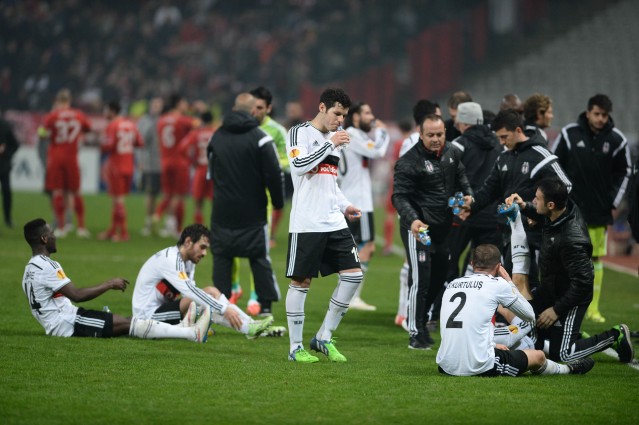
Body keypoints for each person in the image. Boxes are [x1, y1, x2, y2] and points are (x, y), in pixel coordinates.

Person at [507, 178, 634, 364]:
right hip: (552, 288)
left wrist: (556, 310)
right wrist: (524, 206)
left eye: (537, 198)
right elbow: (543, 214)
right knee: (527, 322)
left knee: (563, 354)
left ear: (551, 204)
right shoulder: (560, 211)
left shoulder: (572, 240)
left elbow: (583, 283)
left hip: (572, 296)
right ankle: (567, 333)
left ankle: (615, 336)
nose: (533, 201)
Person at [22, 218, 211, 342]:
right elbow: (77, 295)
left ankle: (182, 328)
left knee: (125, 323)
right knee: (131, 324)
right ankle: (191, 333)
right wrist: (109, 284)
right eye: (51, 233)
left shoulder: (29, 269)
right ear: (44, 239)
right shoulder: (48, 266)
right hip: (69, 324)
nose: (55, 236)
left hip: (66, 319)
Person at [285, 87, 362, 363]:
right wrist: (330, 144)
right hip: (307, 221)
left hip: (334, 220)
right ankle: (295, 348)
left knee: (354, 275)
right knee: (301, 281)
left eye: (344, 116)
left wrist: (345, 205)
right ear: (321, 108)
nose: (340, 120)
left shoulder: (335, 138)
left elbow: (330, 180)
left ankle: (324, 336)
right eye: (336, 113)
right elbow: (299, 165)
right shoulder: (299, 133)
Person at [436, 244, 596, 376]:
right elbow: (529, 315)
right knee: (538, 356)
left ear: (472, 264)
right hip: (478, 365)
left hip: (446, 364)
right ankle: (568, 369)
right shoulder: (498, 284)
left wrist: (491, 344)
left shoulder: (453, 284)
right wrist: (509, 282)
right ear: (498, 267)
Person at [462, 109, 572, 294]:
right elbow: (489, 190)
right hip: (510, 232)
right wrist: (471, 204)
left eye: (504, 136)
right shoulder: (504, 157)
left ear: (518, 130)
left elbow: (566, 187)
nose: (502, 142)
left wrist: (538, 211)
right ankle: (532, 311)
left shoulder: (540, 155)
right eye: (499, 138)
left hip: (535, 234)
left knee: (523, 283)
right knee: (520, 284)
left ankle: (540, 310)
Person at [392, 113, 472, 350]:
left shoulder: (452, 152)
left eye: (439, 134)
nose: (436, 139)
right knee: (421, 278)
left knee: (440, 276)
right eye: (430, 135)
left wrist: (467, 197)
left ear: (445, 133)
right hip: (419, 229)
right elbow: (399, 196)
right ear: (421, 135)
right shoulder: (409, 161)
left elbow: (461, 177)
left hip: (442, 228)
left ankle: (421, 320)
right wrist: (413, 220)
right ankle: (416, 332)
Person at [552, 94, 632, 323]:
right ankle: (563, 305)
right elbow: (554, 164)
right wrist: (560, 199)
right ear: (588, 113)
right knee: (565, 257)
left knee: (594, 259)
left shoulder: (616, 140)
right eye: (596, 114)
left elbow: (625, 171)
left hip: (598, 212)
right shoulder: (569, 134)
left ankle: (593, 309)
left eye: (604, 115)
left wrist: (613, 201)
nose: (600, 119)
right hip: (569, 211)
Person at [132, 223, 284, 338]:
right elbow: (190, 292)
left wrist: (213, 309)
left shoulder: (188, 261)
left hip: (165, 310)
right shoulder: (171, 260)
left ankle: (252, 326)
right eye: (202, 247)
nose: (205, 253)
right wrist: (223, 309)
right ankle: (249, 327)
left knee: (209, 296)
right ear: (188, 242)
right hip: (147, 317)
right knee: (209, 296)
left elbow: (192, 293)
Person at [207, 93, 284, 318]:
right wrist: (278, 202)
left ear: (234, 109)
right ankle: (265, 306)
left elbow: (211, 174)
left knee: (222, 257)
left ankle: (221, 308)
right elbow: (274, 175)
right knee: (258, 257)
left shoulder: (217, 137)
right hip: (253, 211)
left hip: (222, 210)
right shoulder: (261, 138)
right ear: (252, 111)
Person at [338, 101, 390, 311]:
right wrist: (382, 132)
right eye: (367, 113)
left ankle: (346, 295)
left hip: (351, 197)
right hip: (358, 201)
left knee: (356, 248)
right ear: (356, 117)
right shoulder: (353, 134)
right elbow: (378, 151)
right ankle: (351, 296)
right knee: (365, 247)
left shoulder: (350, 134)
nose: (372, 117)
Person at [448, 102, 502, 282]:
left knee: (448, 262)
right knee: (485, 268)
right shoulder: (498, 144)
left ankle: (447, 297)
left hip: (462, 213)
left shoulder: (459, 144)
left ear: (462, 121)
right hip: (490, 215)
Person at [41, 89, 91, 238]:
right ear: (69, 101)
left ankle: (61, 227)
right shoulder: (78, 115)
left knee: (57, 192)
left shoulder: (53, 115)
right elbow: (88, 128)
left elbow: (42, 132)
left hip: (56, 157)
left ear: (58, 101)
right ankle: (81, 227)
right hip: (71, 157)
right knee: (75, 192)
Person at [98, 101, 144, 242]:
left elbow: (108, 145)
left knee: (118, 200)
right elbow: (140, 143)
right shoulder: (130, 124)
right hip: (129, 165)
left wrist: (102, 142)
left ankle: (123, 233)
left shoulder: (112, 125)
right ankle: (112, 230)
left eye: (106, 110)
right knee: (118, 199)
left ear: (112, 111)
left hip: (116, 165)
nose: (105, 113)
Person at [153, 94, 194, 237]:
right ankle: (173, 226)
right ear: (178, 104)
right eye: (184, 102)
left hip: (165, 161)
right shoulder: (183, 120)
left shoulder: (161, 120)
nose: (186, 105)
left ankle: (162, 219)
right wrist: (197, 110)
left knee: (168, 194)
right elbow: (200, 125)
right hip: (180, 161)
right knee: (179, 196)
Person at [179, 111, 216, 225]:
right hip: (214, 171)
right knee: (215, 203)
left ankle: (199, 230)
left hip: (200, 169)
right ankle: (217, 230)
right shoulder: (216, 133)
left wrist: (192, 161)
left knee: (198, 204)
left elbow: (182, 147)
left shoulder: (196, 133)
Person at [138, 97, 164, 236]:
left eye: (159, 105)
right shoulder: (145, 121)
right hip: (150, 163)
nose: (156, 108)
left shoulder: (165, 120)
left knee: (164, 195)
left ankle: (162, 223)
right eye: (154, 105)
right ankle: (148, 223)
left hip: (163, 163)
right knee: (150, 193)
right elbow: (141, 140)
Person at [0, 112, 18, 228]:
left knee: (6, 192)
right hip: (4, 165)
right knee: (7, 192)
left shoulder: (5, 126)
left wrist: (6, 154)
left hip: (3, 165)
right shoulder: (5, 125)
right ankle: (8, 220)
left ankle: (8, 218)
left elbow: (15, 144)